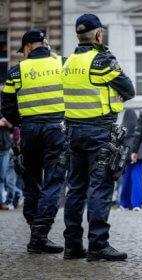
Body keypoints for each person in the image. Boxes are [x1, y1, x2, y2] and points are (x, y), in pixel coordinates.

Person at [62, 14, 135, 261]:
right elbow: (129, 90)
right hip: (99, 132)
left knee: (75, 190)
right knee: (100, 188)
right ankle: (98, 245)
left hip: (73, 132)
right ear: (98, 35)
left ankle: (72, 245)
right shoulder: (102, 61)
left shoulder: (68, 61)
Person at [1, 29, 66, 254]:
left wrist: (20, 123)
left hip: (29, 129)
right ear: (44, 44)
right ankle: (40, 233)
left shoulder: (17, 71)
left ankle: (35, 232)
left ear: (28, 47)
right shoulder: (62, 64)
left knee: (31, 181)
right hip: (57, 128)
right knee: (53, 181)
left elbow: (6, 106)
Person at [119, 108, 142, 211]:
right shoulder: (138, 126)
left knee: (126, 179)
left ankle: (124, 203)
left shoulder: (122, 128)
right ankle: (136, 204)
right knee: (137, 178)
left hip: (126, 155)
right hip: (139, 153)